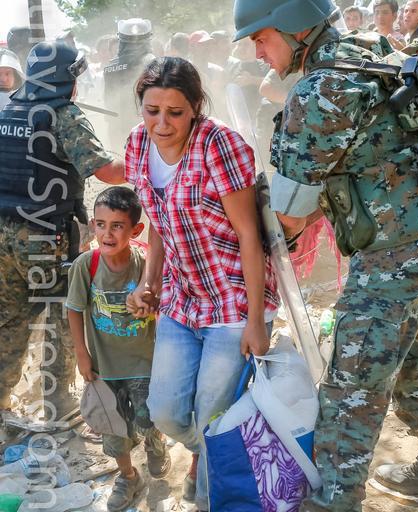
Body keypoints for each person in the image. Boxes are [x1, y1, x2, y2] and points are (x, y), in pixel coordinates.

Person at [232, 0, 418, 510]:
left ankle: (335, 502)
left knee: (352, 380)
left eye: (261, 38)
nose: (258, 52)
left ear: (296, 28)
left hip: (397, 251)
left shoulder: (319, 90)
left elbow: (289, 215)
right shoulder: (371, 49)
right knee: (414, 353)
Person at [125, 57, 279, 511]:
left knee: (214, 416)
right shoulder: (138, 144)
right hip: (182, 298)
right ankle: (213, 453)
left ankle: (213, 495)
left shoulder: (219, 145)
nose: (162, 123)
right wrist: (150, 282)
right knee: (166, 412)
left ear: (196, 107)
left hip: (233, 300)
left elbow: (249, 234)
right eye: (152, 111)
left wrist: (256, 320)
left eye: (175, 112)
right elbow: (159, 220)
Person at [0, 40, 125, 419]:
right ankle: (58, 404)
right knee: (61, 316)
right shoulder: (62, 115)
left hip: (3, 232)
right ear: (64, 79)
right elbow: (107, 171)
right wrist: (152, 156)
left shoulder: (7, 110)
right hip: (43, 234)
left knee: (10, 318)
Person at [66, 186, 170, 512]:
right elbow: (74, 310)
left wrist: (149, 305)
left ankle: (155, 443)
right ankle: (127, 476)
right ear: (92, 226)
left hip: (143, 362)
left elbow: (160, 305)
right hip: (104, 368)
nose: (106, 234)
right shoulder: (86, 265)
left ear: (135, 230)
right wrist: (81, 355)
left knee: (148, 418)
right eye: (100, 224)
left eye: (117, 226)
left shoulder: (144, 267)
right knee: (113, 431)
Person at [104, 18, 155, 154]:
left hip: (117, 126)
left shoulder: (110, 67)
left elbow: (107, 100)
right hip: (147, 127)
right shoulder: (154, 63)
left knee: (122, 161)